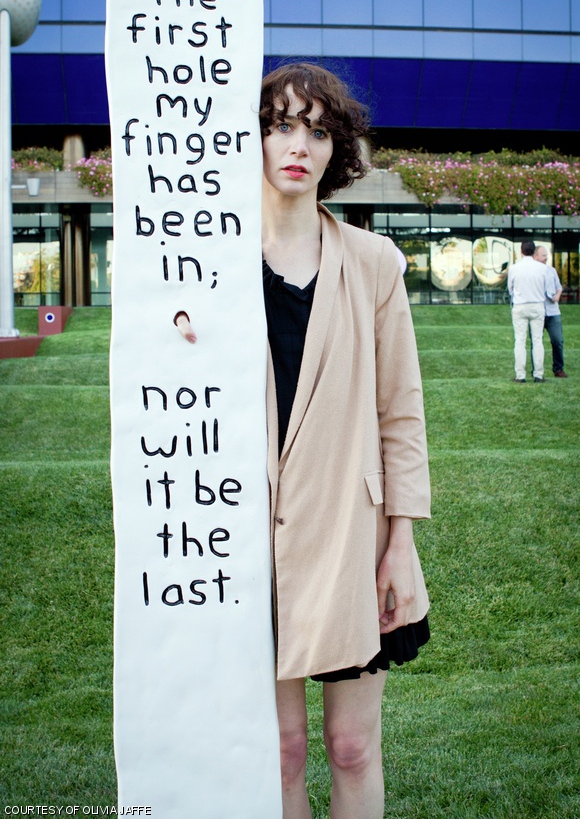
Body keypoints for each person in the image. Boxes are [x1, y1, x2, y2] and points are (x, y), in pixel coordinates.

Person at [174, 62, 431, 819]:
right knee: (279, 752)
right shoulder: (208, 271)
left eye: (318, 131)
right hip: (248, 540)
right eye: (280, 123)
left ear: (337, 150)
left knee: (352, 749)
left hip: (352, 540)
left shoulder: (375, 262)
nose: (299, 144)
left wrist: (402, 541)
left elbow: (401, 413)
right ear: (250, 138)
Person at [507, 240, 549, 382]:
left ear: (521, 251)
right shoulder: (543, 268)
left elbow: (510, 289)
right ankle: (538, 374)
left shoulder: (514, 268)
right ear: (534, 252)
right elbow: (546, 288)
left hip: (520, 306)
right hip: (537, 305)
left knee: (520, 341)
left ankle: (521, 375)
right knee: (537, 340)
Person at [533, 245, 568, 377]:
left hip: (553, 312)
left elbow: (559, 287)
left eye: (546, 255)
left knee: (557, 341)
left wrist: (558, 295)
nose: (546, 258)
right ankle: (537, 371)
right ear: (535, 257)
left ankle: (558, 369)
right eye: (543, 255)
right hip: (538, 311)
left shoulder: (551, 271)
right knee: (536, 343)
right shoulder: (532, 272)